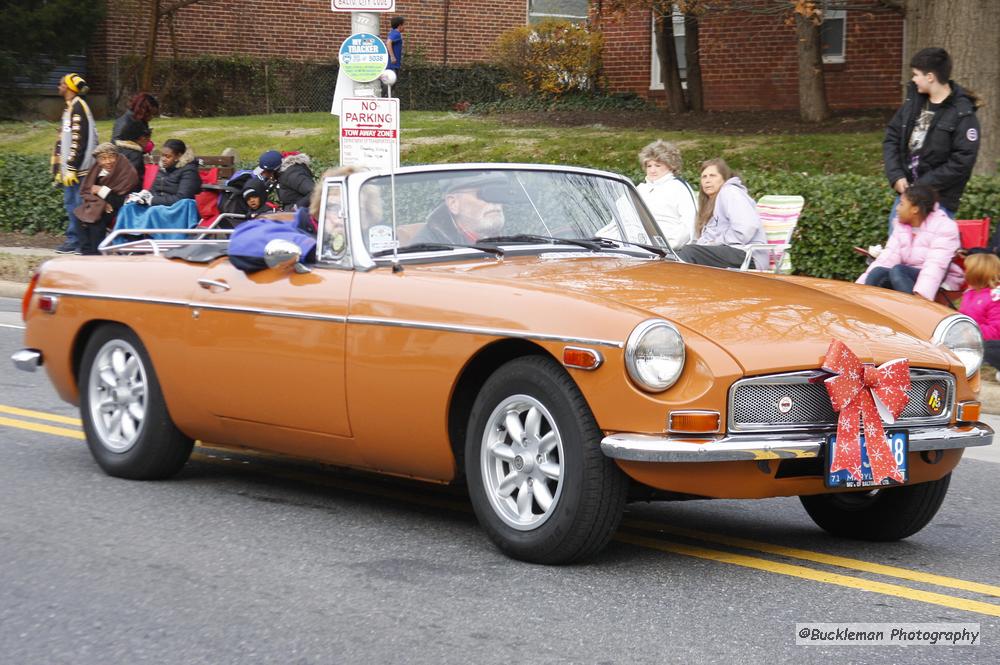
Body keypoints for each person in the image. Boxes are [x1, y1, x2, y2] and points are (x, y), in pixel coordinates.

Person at [883, 47, 980, 229]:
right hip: (906, 199)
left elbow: (962, 162)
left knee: (928, 255)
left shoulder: (963, 113)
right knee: (897, 252)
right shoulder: (914, 103)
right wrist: (896, 175)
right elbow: (892, 138)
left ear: (930, 77)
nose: (913, 79)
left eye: (915, 74)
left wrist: (921, 186)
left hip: (938, 202)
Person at [856, 183, 963, 299]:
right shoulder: (901, 227)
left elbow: (935, 266)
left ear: (915, 209)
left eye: (901, 204)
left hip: (937, 280)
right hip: (904, 278)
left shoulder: (945, 227)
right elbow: (885, 260)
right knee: (878, 272)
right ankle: (863, 305)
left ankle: (917, 310)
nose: (897, 208)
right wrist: (857, 289)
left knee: (898, 270)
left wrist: (922, 295)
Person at [674, 158, 766, 269]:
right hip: (729, 252)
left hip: (748, 255)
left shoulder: (730, 192)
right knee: (676, 255)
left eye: (712, 176)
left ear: (724, 178)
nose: (707, 180)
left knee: (690, 252)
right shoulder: (710, 203)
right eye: (704, 177)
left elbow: (747, 226)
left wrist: (716, 242)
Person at [52, 73, 99, 254]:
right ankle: (75, 240)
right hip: (72, 169)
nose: (58, 86)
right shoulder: (71, 107)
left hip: (79, 170)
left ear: (70, 87)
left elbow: (79, 139)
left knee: (77, 206)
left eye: (61, 83)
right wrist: (61, 168)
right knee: (71, 204)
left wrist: (71, 166)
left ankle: (79, 242)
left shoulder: (78, 107)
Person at [72, 144, 138, 255]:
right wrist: (103, 202)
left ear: (117, 157)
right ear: (98, 160)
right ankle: (86, 254)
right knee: (79, 216)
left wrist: (101, 190)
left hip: (122, 206)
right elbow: (87, 190)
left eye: (111, 157)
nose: (107, 161)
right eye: (103, 158)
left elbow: (121, 199)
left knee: (96, 219)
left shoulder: (126, 171)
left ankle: (96, 253)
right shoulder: (97, 169)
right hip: (99, 204)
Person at [635, 140, 697, 250]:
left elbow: (690, 223)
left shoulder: (678, 187)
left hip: (668, 248)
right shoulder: (640, 189)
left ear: (670, 166)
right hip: (636, 244)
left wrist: (669, 246)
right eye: (649, 166)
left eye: (657, 165)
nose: (652, 170)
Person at [414, 174, 508, 245]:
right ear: (453, 203)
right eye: (483, 193)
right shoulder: (427, 247)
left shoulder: (516, 238)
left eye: (497, 192)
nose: (494, 200)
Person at [959, 252, 1000, 377]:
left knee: (989, 348)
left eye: (966, 270)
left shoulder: (995, 297)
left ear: (977, 273)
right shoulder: (969, 293)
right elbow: (962, 315)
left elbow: (996, 330)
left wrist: (971, 332)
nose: (963, 273)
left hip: (986, 341)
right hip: (969, 339)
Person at [112, 92, 159, 190]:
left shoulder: (130, 118)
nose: (152, 117)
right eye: (151, 114)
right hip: (129, 162)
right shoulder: (135, 124)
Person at [384, 15, 405, 96]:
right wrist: (392, 56)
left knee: (388, 85)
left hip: (390, 65)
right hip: (392, 65)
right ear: (400, 25)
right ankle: (384, 101)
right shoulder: (397, 33)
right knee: (390, 85)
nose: (404, 27)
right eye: (404, 25)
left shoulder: (392, 32)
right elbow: (388, 42)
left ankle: (385, 100)